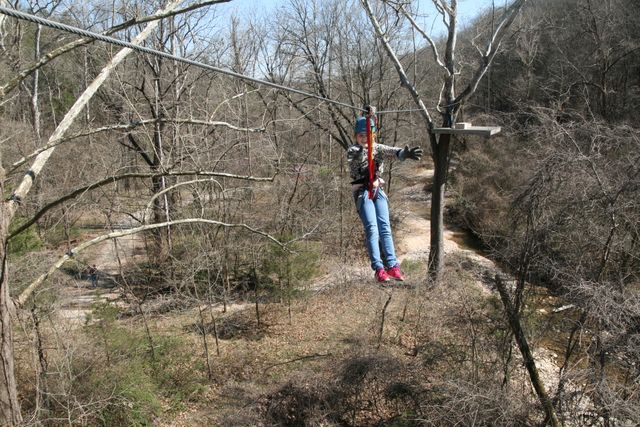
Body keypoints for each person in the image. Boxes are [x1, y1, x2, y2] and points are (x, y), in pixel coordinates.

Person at [347, 109, 423, 282]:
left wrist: (403, 153)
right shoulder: (353, 149)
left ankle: (393, 266)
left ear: (373, 135)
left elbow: (393, 151)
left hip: (377, 190)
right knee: (372, 228)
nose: (364, 139)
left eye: (367, 136)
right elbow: (354, 156)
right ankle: (379, 268)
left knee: (385, 228)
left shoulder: (378, 148)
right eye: (360, 136)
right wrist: (362, 152)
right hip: (363, 192)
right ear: (356, 136)